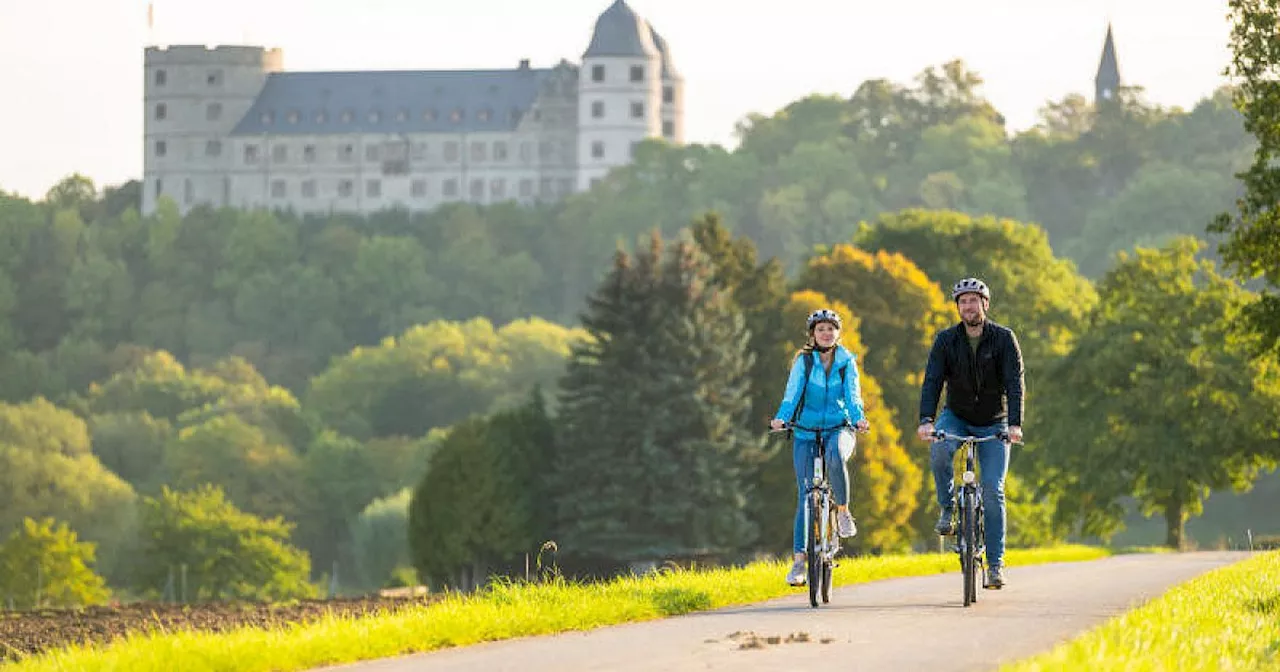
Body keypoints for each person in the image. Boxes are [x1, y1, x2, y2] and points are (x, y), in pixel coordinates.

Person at [916, 277, 1025, 589]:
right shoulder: (946, 340)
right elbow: (932, 381)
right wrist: (927, 420)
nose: (968, 306)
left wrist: (1014, 425)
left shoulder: (1004, 339)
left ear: (985, 304)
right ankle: (948, 507)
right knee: (939, 448)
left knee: (993, 491)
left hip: (995, 421)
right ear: (958, 307)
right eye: (962, 301)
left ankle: (995, 565)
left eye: (973, 300)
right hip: (957, 417)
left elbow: (1015, 384)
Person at [770, 308, 871, 587]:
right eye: (820, 329)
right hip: (805, 430)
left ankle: (842, 511)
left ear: (838, 333)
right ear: (812, 334)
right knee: (806, 495)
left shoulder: (846, 361)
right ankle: (799, 563)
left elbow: (853, 395)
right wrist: (782, 418)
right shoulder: (803, 362)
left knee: (836, 456)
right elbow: (792, 394)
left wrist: (859, 418)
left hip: (840, 427)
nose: (826, 333)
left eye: (831, 328)